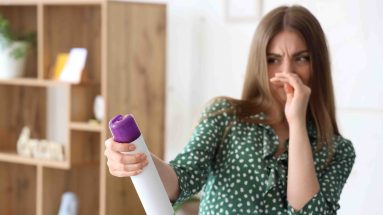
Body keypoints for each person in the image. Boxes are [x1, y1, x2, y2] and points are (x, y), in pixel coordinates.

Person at [104, 5, 356, 215]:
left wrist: (297, 122)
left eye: (301, 58)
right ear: (259, 62)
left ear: (317, 64)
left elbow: (308, 212)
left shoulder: (338, 151)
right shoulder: (225, 116)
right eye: (273, 59)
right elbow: (182, 177)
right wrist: (138, 160)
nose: (286, 72)